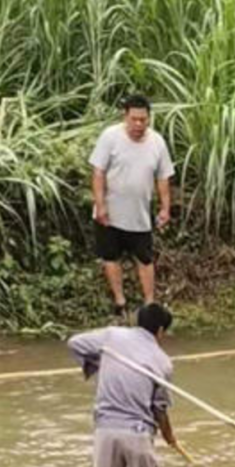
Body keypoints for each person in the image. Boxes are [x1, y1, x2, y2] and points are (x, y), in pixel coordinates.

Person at [68, 303, 177, 467]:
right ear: (160, 330)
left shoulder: (112, 335)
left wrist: (99, 363)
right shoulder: (163, 362)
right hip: (138, 432)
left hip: (106, 430)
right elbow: (159, 409)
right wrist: (169, 436)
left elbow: (75, 344)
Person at [91, 94, 175, 320]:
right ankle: (120, 302)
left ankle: (149, 304)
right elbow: (98, 173)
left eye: (143, 120)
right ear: (125, 117)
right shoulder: (110, 137)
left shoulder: (157, 142)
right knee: (111, 257)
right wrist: (100, 206)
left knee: (145, 259)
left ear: (149, 119)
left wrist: (165, 209)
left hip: (139, 214)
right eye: (134, 119)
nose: (138, 125)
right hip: (109, 213)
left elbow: (163, 178)